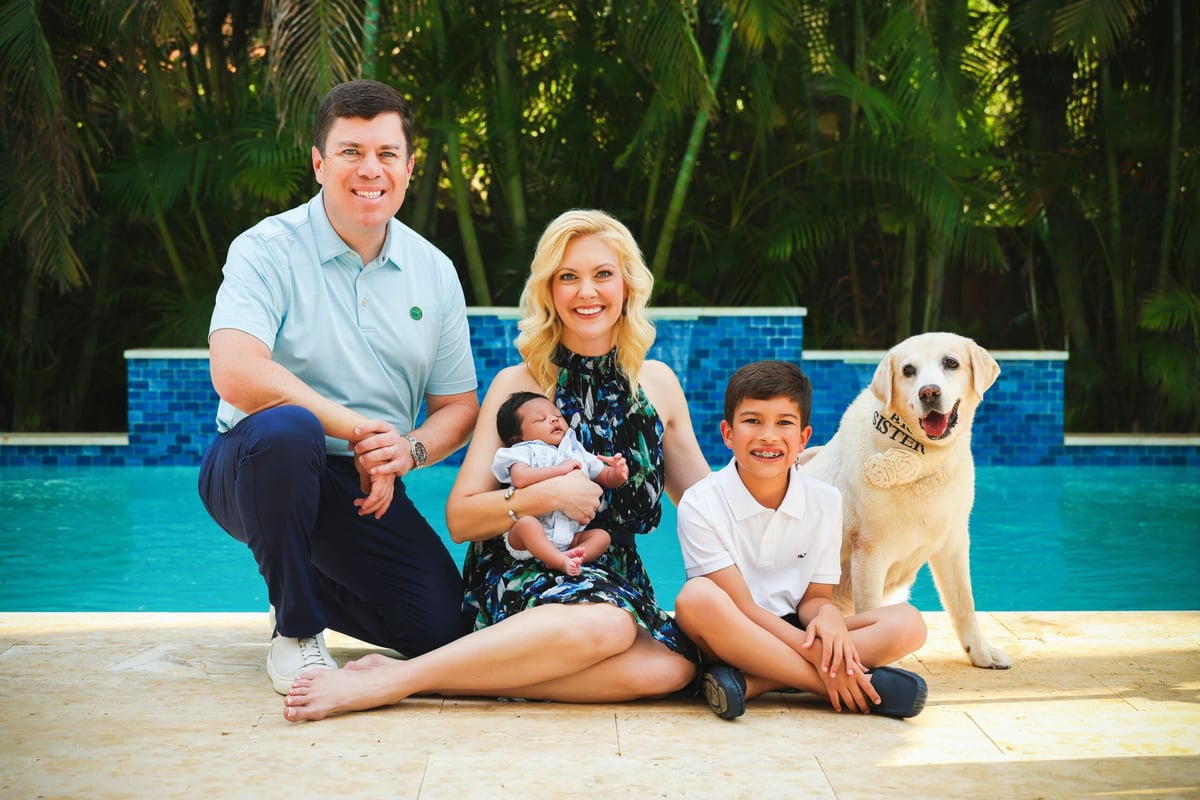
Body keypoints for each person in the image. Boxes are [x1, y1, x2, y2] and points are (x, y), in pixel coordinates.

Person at [282, 208, 710, 721]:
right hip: (522, 571)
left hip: (615, 578)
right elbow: (461, 519)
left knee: (672, 669)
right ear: (548, 290)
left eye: (603, 274)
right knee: (610, 626)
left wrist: (784, 493)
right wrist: (545, 495)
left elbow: (706, 502)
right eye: (568, 277)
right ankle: (395, 682)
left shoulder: (657, 384)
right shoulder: (517, 384)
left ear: (627, 285)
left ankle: (438, 677)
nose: (586, 292)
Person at [197, 79, 480, 694]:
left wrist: (407, 450)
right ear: (319, 164)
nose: (369, 169)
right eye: (351, 151)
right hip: (253, 464)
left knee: (441, 628)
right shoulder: (265, 249)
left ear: (409, 167)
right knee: (288, 429)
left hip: (362, 483)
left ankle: (293, 576)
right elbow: (236, 372)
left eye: (386, 153)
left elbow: (459, 407)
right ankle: (296, 628)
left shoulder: (434, 271)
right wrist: (359, 430)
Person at [673, 360, 929, 720]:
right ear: (728, 433)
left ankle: (750, 683)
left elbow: (814, 599)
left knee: (909, 624)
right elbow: (743, 607)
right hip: (731, 634)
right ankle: (833, 686)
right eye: (752, 421)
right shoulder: (700, 502)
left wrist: (828, 617)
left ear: (803, 438)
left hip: (798, 629)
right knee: (695, 598)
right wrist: (822, 659)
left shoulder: (825, 500)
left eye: (783, 423)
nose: (768, 435)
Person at [492, 391, 629, 575]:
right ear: (517, 438)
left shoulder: (576, 451)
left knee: (602, 537)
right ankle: (559, 561)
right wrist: (560, 469)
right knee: (526, 524)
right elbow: (520, 477)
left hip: (569, 538)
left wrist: (618, 472)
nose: (554, 419)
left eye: (557, 415)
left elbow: (606, 478)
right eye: (541, 419)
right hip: (529, 539)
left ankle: (572, 556)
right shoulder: (525, 450)